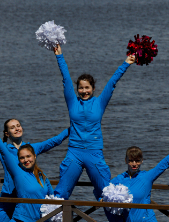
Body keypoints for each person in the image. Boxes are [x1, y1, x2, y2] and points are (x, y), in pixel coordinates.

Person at [51, 43, 135, 200]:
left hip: (94, 152)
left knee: (107, 194)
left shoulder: (99, 102)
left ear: (93, 88)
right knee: (60, 193)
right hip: (74, 152)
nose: (84, 91)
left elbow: (112, 83)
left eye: (87, 88)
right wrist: (59, 55)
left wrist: (126, 64)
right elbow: (66, 79)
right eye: (81, 88)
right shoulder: (72, 102)